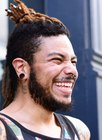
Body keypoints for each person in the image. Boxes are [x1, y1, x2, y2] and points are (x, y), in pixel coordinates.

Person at [0, 0, 90, 139]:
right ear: (21, 67)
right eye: (57, 60)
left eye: (73, 62)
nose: (72, 70)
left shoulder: (79, 131)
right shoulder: (3, 131)